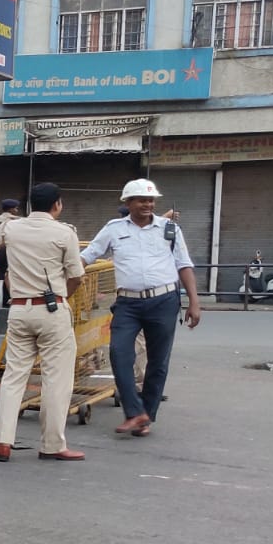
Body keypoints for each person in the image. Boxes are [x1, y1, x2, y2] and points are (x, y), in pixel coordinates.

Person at [0, 182, 86, 463]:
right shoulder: (65, 233)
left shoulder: (11, 227)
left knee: (13, 377)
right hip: (52, 311)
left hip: (19, 310)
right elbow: (77, 276)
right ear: (57, 205)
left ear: (30, 205)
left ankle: (3, 441)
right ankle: (52, 445)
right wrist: (62, 298)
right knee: (56, 380)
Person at [81, 179, 202, 437]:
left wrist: (194, 301)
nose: (148, 204)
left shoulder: (169, 229)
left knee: (158, 361)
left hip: (164, 301)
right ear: (128, 203)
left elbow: (184, 264)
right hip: (127, 303)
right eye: (141, 200)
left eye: (151, 200)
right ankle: (135, 411)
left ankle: (145, 416)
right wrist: (66, 270)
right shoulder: (113, 229)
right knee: (119, 353)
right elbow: (88, 255)